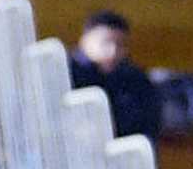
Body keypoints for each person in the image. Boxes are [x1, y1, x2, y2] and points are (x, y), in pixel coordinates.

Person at [68, 10, 162, 145]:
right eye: (105, 42)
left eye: (120, 44)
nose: (113, 51)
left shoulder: (135, 80)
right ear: (84, 41)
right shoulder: (66, 74)